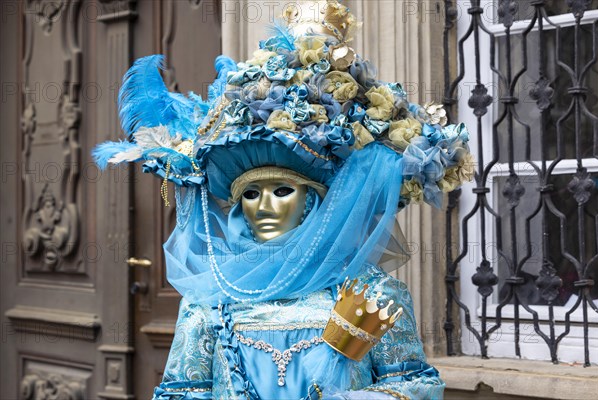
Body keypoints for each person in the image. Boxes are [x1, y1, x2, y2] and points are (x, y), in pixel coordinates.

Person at [93, 1, 474, 399]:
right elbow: (180, 391)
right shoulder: (212, 297)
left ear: (311, 201)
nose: (264, 207)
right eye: (251, 195)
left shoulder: (369, 294)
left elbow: (414, 383)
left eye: (282, 191)